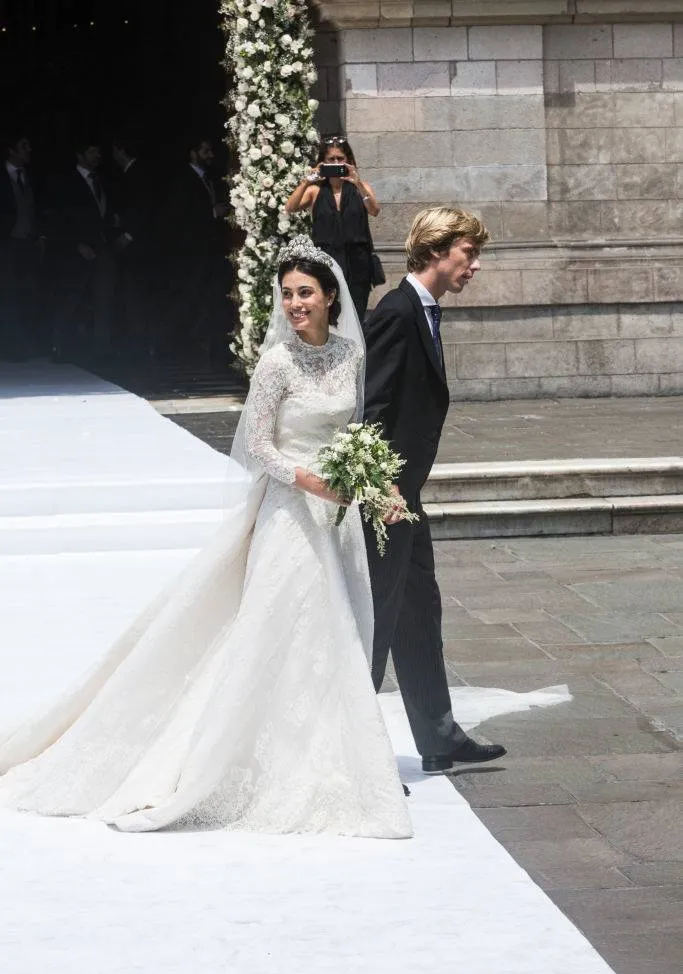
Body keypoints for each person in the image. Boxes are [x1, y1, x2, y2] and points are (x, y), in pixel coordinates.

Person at [0, 236, 412, 840]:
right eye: (287, 295)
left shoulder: (352, 353)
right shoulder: (275, 363)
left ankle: (332, 757)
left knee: (336, 629)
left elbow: (355, 433)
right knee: (280, 626)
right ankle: (226, 760)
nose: (295, 304)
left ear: (330, 296)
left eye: (305, 293)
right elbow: (256, 445)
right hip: (290, 511)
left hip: (337, 514)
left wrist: (375, 484)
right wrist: (307, 480)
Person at [363, 207, 507, 774]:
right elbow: (370, 407)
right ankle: (356, 753)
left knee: (419, 612)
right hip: (388, 500)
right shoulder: (397, 313)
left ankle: (439, 735)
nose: (474, 265)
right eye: (467, 254)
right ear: (435, 250)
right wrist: (381, 489)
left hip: (407, 497)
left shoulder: (425, 312)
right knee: (378, 618)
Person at [285, 136, 378, 322]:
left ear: (348, 160)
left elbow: (374, 210)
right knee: (329, 315)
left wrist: (357, 182)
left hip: (357, 264)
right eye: (331, 160)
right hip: (326, 262)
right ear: (323, 162)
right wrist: (307, 180)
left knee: (356, 315)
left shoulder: (361, 188)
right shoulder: (316, 191)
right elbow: (290, 207)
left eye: (340, 159)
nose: (336, 163)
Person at [163, 137, 231, 366]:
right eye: (205, 151)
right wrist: (212, 213)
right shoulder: (182, 181)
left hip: (210, 251)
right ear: (193, 153)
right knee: (188, 299)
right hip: (190, 254)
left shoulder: (209, 179)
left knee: (209, 299)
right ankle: (178, 346)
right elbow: (178, 216)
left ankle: (208, 347)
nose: (210, 155)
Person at [49, 137, 117, 364]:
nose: (97, 156)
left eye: (98, 152)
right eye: (91, 152)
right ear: (80, 155)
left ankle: (102, 349)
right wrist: (76, 244)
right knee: (70, 298)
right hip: (76, 251)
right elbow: (60, 218)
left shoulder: (102, 181)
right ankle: (59, 346)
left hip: (102, 247)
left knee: (103, 299)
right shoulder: (66, 183)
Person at [111, 137, 159, 362]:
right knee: (136, 298)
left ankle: (139, 347)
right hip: (138, 247)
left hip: (138, 247)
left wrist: (128, 235)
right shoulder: (133, 173)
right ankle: (138, 344)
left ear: (120, 150)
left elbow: (144, 209)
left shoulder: (138, 174)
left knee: (136, 297)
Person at [0, 132, 45, 361]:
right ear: (11, 150)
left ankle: (24, 344)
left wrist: (39, 235)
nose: (28, 150)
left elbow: (36, 207)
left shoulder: (30, 176)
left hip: (27, 243)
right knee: (8, 295)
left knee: (27, 293)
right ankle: (9, 347)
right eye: (23, 146)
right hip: (6, 244)